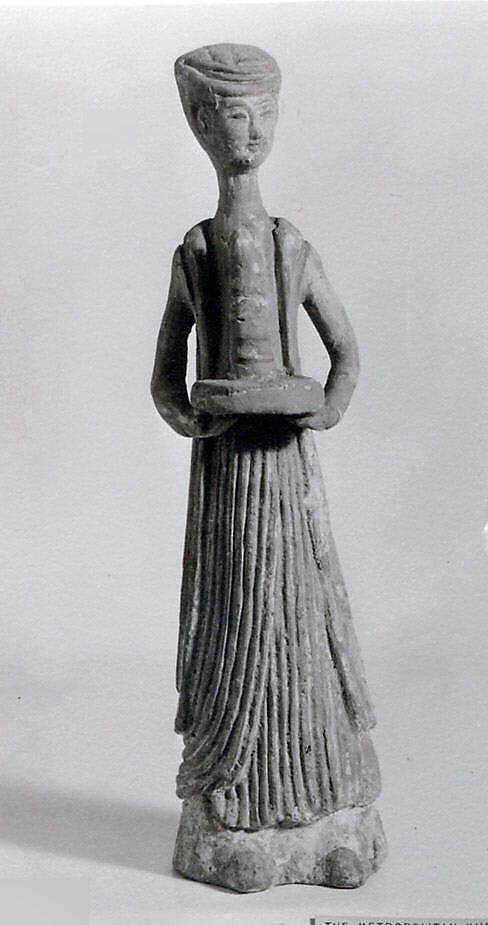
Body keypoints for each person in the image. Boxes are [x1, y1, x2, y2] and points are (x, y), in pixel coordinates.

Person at [151, 43, 385, 891]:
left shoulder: (290, 245)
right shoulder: (196, 253)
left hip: (285, 473)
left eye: (264, 114)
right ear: (201, 124)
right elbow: (164, 378)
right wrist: (196, 419)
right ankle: (238, 818)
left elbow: (345, 351)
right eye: (232, 116)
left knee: (300, 630)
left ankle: (326, 814)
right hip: (229, 481)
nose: (249, 133)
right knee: (240, 631)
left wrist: (323, 407)